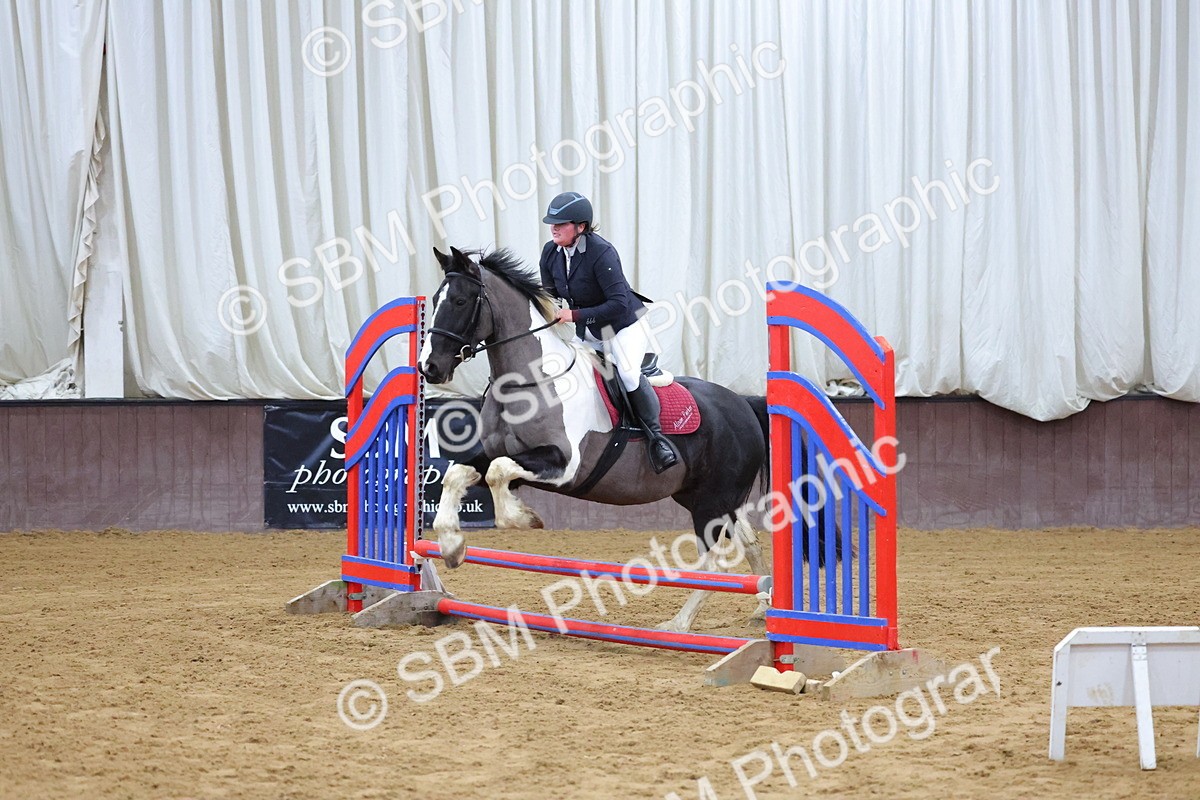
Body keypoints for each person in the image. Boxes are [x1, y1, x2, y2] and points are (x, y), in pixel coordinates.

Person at [538, 191, 679, 473]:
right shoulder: (551, 253)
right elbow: (550, 295)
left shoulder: (601, 252)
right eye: (552, 222)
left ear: (581, 227)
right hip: (590, 331)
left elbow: (618, 304)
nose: (554, 228)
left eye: (562, 223)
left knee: (626, 373)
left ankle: (657, 439)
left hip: (624, 326)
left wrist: (573, 315)